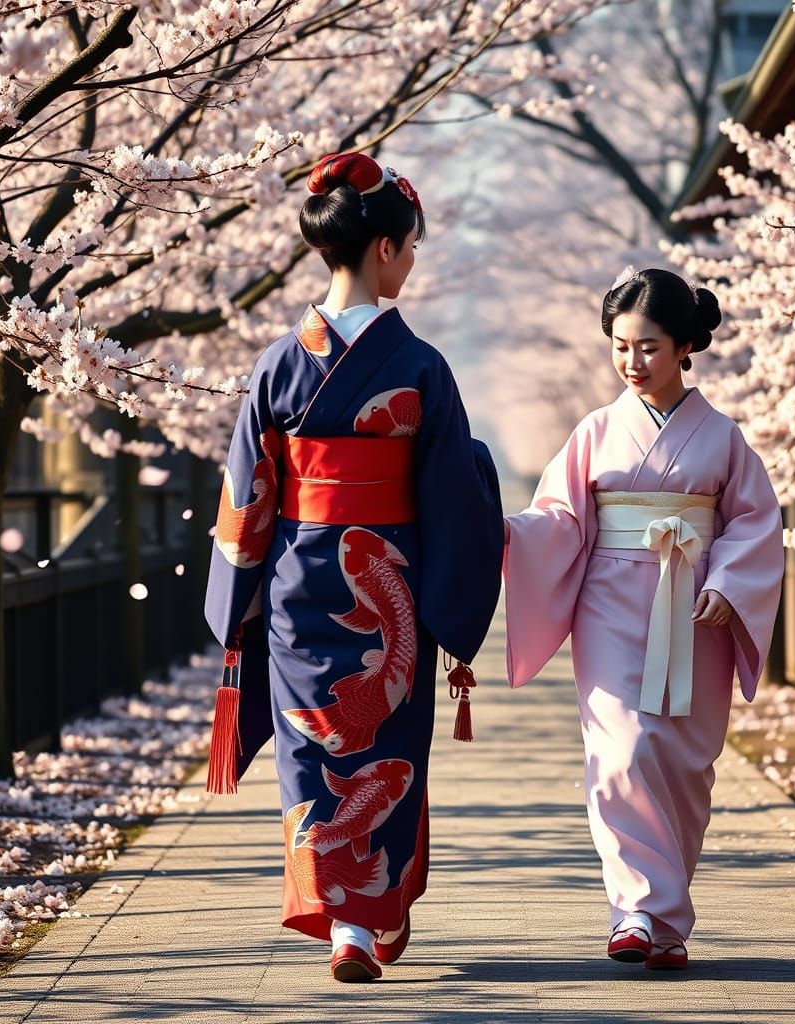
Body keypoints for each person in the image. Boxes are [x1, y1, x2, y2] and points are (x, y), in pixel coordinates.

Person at [204, 152, 504, 983]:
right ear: (381, 250)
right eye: (410, 246)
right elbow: (453, 493)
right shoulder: (421, 367)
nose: (412, 260)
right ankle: (362, 926)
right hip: (392, 583)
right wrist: (453, 599)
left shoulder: (276, 364)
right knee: (386, 746)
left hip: (301, 583)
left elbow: (247, 493)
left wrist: (238, 600)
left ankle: (351, 927)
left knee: (317, 750)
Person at [502, 266, 783, 970]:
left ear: (686, 345)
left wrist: (730, 582)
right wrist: (507, 532)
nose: (633, 362)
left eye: (650, 347)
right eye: (621, 346)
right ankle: (637, 912)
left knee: (683, 761)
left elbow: (755, 524)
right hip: (610, 605)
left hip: (694, 606)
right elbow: (559, 520)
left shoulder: (724, 438)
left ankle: (666, 917)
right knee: (620, 753)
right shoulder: (596, 432)